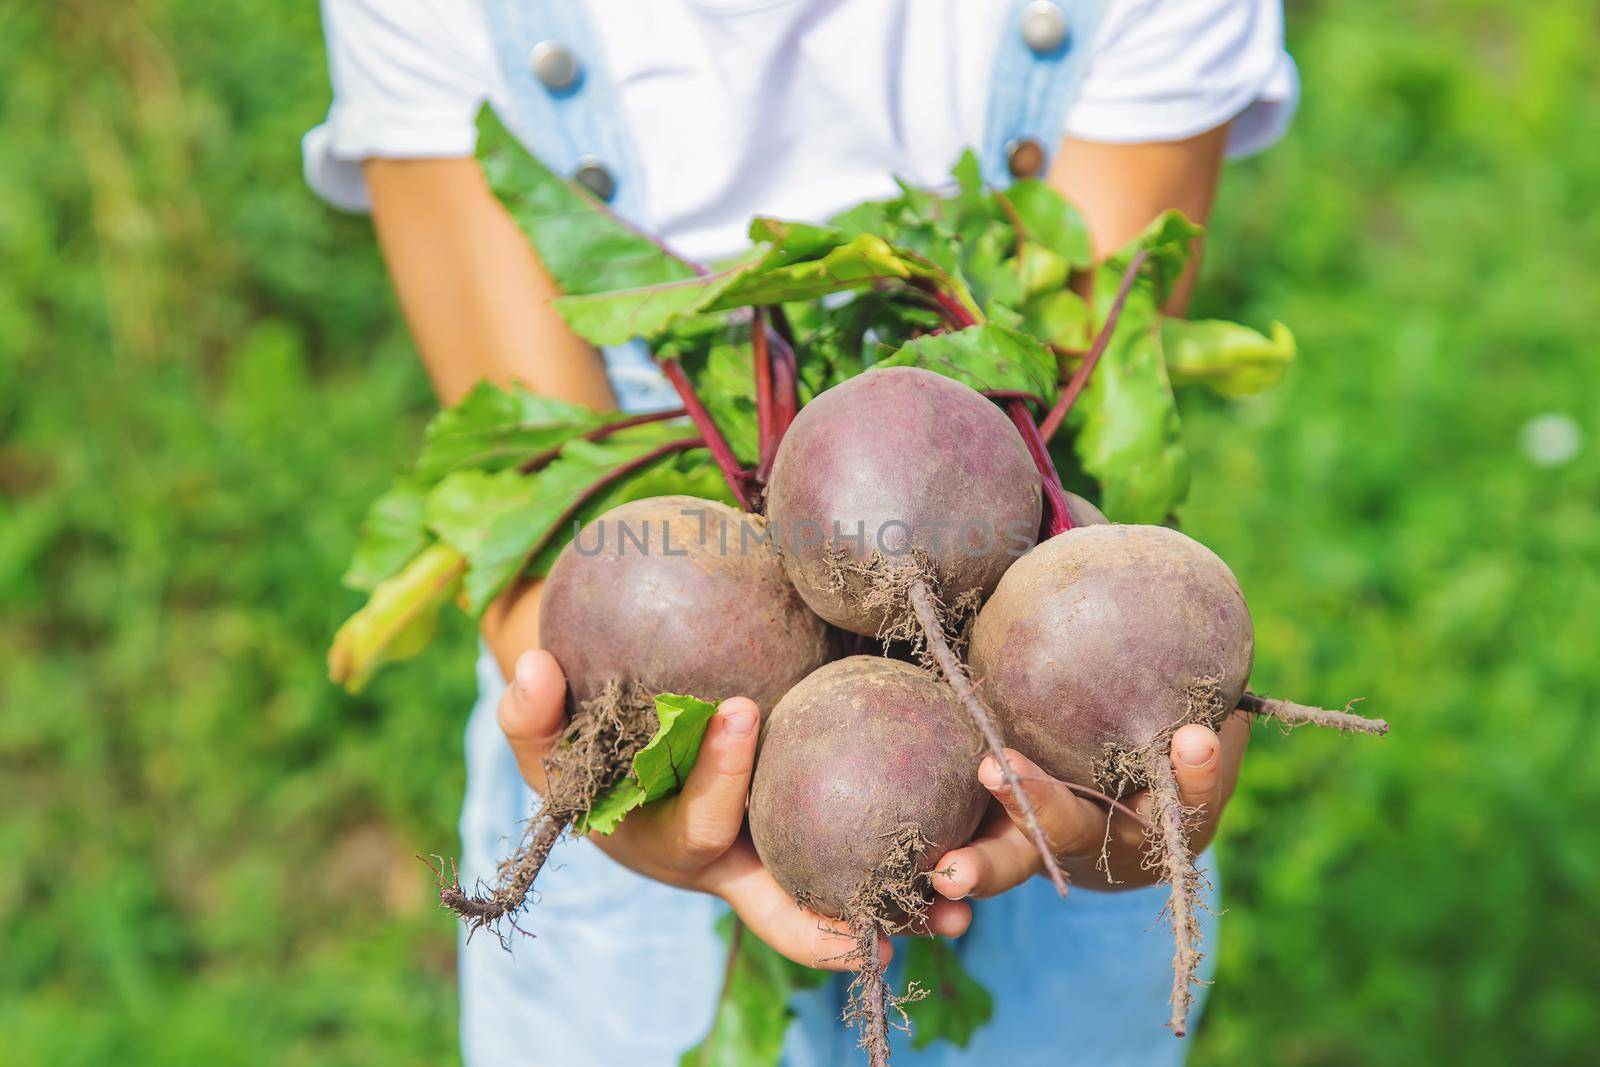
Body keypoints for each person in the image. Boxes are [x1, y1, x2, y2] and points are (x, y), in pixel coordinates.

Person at [305, 1, 1296, 1063]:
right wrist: (607, 784)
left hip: (1045, 767)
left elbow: (1090, 337)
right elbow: (526, 484)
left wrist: (1143, 806)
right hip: (645, 833)